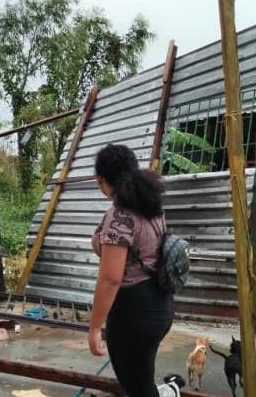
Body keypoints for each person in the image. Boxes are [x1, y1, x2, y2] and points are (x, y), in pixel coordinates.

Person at [88, 144, 179, 396]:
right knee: (142, 380)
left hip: (135, 312)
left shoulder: (119, 216)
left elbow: (110, 279)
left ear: (101, 179)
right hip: (161, 303)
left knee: (137, 387)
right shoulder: (151, 205)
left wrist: (95, 327)